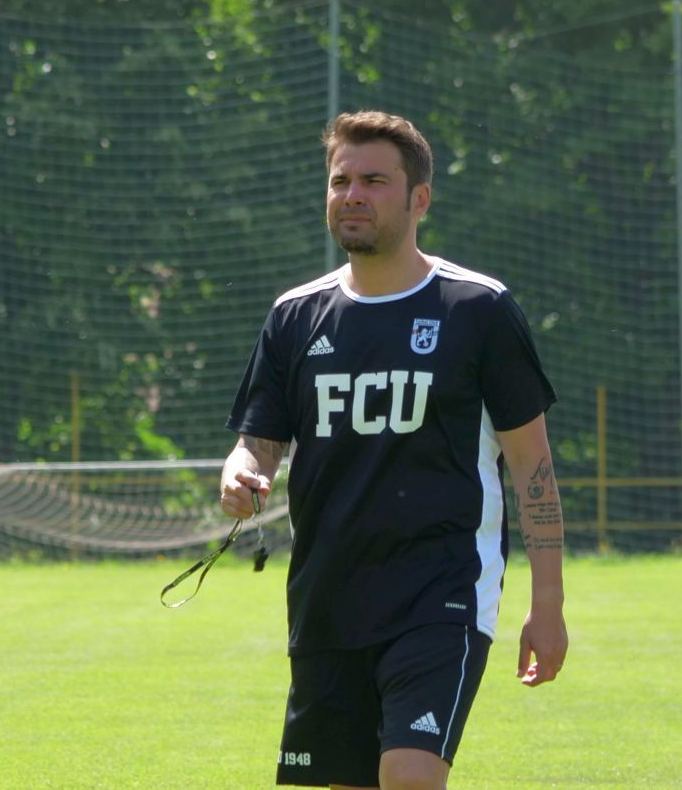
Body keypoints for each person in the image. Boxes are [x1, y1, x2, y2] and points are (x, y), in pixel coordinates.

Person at [220, 110, 568, 790]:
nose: (352, 194)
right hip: (327, 599)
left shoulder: (478, 309)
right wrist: (243, 471)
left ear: (419, 199)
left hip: (440, 594)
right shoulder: (295, 315)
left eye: (374, 181)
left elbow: (533, 466)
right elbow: (259, 440)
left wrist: (547, 604)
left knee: (409, 777)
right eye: (340, 180)